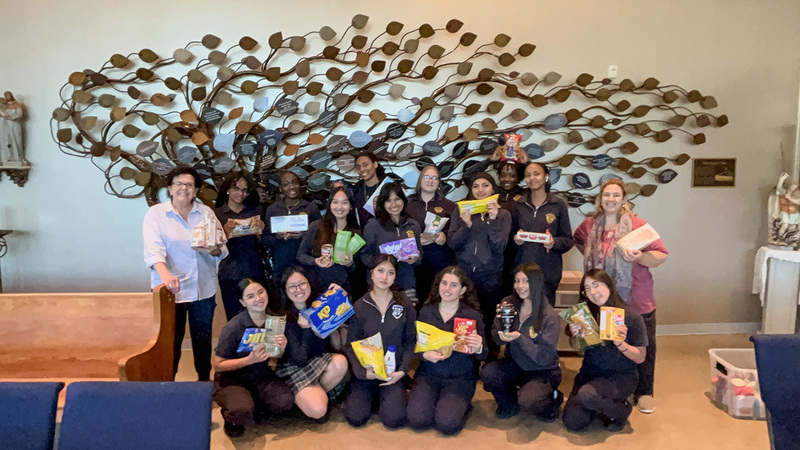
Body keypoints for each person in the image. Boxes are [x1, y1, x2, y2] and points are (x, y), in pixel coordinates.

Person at [573, 178, 668, 414]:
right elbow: (578, 240)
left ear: (624, 199)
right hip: (600, 298)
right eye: (607, 195)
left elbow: (660, 255)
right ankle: (611, 384)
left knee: (643, 343)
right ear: (600, 198)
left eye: (616, 195)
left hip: (635, 296)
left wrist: (638, 257)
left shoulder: (639, 226)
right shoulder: (589, 225)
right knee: (607, 342)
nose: (611, 200)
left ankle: (644, 391)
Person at [143, 165, 228, 381]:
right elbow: (154, 252)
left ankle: (203, 382)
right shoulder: (157, 214)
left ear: (196, 190)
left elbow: (222, 249)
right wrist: (166, 277)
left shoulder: (206, 212)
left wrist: (214, 249)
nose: (183, 188)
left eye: (189, 185)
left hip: (203, 289)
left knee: (202, 339)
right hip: (171, 289)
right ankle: (168, 384)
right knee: (171, 341)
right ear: (169, 189)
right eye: (178, 184)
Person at [562, 269, 647, 432]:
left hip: (621, 377)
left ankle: (621, 410)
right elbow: (578, 349)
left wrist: (621, 344)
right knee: (573, 421)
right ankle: (597, 403)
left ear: (608, 285)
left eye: (596, 285)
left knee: (588, 394)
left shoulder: (631, 316)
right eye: (587, 289)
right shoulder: (586, 315)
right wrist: (575, 336)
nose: (593, 292)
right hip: (590, 374)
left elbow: (641, 357)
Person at [406, 266, 486, 435]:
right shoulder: (427, 312)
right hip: (429, 375)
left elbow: (484, 353)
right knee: (417, 420)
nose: (447, 289)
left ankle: (461, 404)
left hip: (460, 378)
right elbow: (415, 345)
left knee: (447, 424)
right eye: (444, 283)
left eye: (454, 285)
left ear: (463, 290)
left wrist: (479, 346)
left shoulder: (472, 316)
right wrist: (424, 354)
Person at [480, 264, 563, 421]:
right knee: (488, 373)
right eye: (517, 281)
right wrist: (499, 325)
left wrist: (519, 337)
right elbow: (496, 338)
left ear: (536, 283)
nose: (520, 286)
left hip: (542, 370)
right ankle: (510, 404)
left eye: (525, 281)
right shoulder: (508, 304)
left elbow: (543, 358)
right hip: (516, 363)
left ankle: (553, 399)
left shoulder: (549, 316)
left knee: (530, 400)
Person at [212, 278, 294, 437]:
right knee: (241, 410)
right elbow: (217, 364)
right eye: (250, 296)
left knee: (285, 400)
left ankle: (254, 407)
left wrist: (281, 349)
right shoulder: (234, 327)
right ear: (243, 302)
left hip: (261, 376)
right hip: (232, 380)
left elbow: (275, 356)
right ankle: (232, 417)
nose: (258, 298)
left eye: (260, 292)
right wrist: (248, 360)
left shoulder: (274, 320)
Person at [343, 254, 417, 429]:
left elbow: (411, 339)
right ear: (371, 273)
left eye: (390, 273)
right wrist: (363, 373)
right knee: (355, 418)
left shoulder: (404, 303)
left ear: (395, 276)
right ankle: (372, 396)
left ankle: (388, 397)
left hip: (393, 373)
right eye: (380, 271)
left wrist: (402, 371)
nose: (384, 277)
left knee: (394, 420)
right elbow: (350, 344)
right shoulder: (360, 306)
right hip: (367, 372)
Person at [448, 172, 511, 358]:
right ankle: (466, 358)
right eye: (476, 186)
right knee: (465, 317)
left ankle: (490, 356)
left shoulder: (503, 214)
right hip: (465, 274)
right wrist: (466, 225)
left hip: (490, 276)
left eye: (485, 185)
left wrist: (492, 221)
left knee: (489, 317)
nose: (480, 190)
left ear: (493, 188)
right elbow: (453, 243)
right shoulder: (461, 210)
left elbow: (500, 247)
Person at [275, 267, 349, 421]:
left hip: (318, 359)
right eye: (292, 287)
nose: (299, 289)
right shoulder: (284, 317)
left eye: (302, 283)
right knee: (319, 410)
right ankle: (309, 399)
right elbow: (299, 358)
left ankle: (315, 395)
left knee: (340, 363)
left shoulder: (319, 304)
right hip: (294, 367)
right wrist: (307, 330)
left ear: (309, 283)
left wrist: (340, 297)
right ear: (285, 290)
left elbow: (335, 344)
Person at [511, 162, 574, 303]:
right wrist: (516, 241)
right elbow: (508, 240)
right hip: (522, 273)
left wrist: (554, 243)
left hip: (548, 274)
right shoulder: (518, 205)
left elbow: (568, 240)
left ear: (546, 176)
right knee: (522, 316)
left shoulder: (558, 205)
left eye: (536, 174)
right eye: (528, 175)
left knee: (545, 318)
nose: (532, 178)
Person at [360, 182, 423, 304]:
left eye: (397, 199)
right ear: (383, 203)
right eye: (388, 200)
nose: (393, 204)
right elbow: (364, 256)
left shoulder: (413, 225)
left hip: (406, 284)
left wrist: (415, 259)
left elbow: (420, 258)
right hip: (380, 285)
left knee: (407, 319)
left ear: (403, 200)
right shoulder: (373, 225)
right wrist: (383, 262)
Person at [215, 173, 267, 320]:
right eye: (236, 189)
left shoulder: (256, 211)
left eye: (244, 190)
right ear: (228, 190)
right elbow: (213, 247)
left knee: (259, 314)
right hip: (229, 272)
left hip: (254, 268)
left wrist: (261, 231)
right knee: (234, 317)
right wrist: (223, 233)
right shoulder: (217, 214)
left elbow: (265, 243)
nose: (240, 193)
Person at [406, 165, 457, 306]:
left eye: (435, 178)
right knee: (417, 302)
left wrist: (444, 237)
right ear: (420, 180)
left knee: (438, 301)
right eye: (427, 177)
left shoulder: (449, 206)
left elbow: (456, 232)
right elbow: (400, 231)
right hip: (414, 264)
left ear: (439, 182)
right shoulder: (408, 204)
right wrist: (414, 240)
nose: (430, 181)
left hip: (440, 262)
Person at [297, 186, 361, 294]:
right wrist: (315, 261)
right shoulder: (316, 226)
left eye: (344, 203)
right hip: (316, 288)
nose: (339, 207)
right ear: (330, 204)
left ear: (351, 206)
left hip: (342, 289)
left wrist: (350, 264)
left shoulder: (356, 235)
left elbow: (357, 271)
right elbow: (300, 255)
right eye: (335, 202)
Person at [263, 171, 321, 287]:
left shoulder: (311, 208)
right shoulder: (272, 210)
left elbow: (320, 236)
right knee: (282, 300)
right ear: (280, 188)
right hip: (281, 264)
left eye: (295, 183)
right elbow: (265, 239)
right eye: (286, 184)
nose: (292, 187)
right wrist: (276, 237)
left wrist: (305, 235)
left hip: (306, 264)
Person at [352, 152, 387, 231]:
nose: (362, 169)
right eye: (358, 167)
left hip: (389, 235)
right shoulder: (357, 192)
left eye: (365, 164)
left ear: (375, 164)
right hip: (367, 236)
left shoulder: (387, 186)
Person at [0, 91, 26, 165]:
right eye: (6, 96)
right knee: (6, 140)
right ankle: (6, 157)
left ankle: (17, 157)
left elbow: (20, 114)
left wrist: (12, 118)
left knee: (16, 140)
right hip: (5, 125)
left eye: (9, 96)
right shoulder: (4, 106)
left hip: (14, 125)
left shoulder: (17, 105)